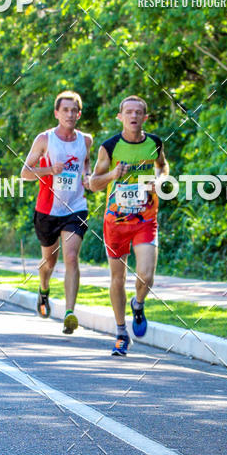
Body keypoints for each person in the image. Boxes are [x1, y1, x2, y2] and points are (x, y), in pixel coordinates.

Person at [91, 95, 169, 356]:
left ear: (145, 118)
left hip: (145, 218)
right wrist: (113, 175)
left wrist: (159, 180)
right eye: (129, 112)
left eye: (138, 113)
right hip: (116, 222)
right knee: (118, 278)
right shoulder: (110, 147)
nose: (133, 116)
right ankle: (121, 332)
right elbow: (94, 182)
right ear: (120, 117)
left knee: (146, 275)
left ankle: (138, 303)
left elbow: (163, 166)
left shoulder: (154, 143)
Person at [21, 91, 92, 334]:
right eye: (65, 110)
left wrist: (89, 177)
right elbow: (25, 173)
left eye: (74, 110)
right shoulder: (44, 139)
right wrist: (51, 169)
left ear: (79, 114)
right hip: (47, 209)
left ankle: (70, 312)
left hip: (76, 208)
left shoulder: (86, 140)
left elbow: (86, 165)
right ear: (56, 113)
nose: (70, 114)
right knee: (49, 262)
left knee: (71, 257)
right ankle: (43, 289)